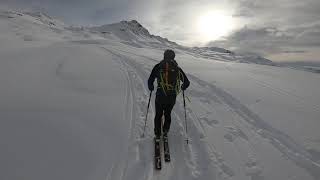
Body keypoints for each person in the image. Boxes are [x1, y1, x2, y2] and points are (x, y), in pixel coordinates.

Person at [148, 49, 190, 140]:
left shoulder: (158, 66)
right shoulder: (177, 69)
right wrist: (183, 87)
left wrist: (151, 87)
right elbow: (187, 82)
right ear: (173, 57)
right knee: (168, 114)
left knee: (158, 115)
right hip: (171, 97)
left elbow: (150, 80)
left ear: (164, 56)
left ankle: (157, 134)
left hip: (160, 95)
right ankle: (165, 131)